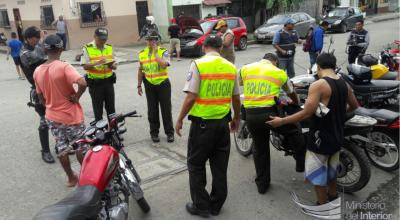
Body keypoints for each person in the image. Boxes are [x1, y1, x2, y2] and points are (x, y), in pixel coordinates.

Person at [267, 53, 359, 205]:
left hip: (319, 137)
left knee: (317, 175)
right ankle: (333, 196)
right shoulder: (344, 83)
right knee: (332, 170)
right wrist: (336, 115)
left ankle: (322, 205)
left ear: (318, 66)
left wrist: (282, 121)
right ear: (334, 66)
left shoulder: (318, 85)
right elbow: (354, 105)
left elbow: (306, 113)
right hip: (337, 134)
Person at [175, 35, 240, 218]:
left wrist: (180, 119)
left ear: (204, 47)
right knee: (219, 166)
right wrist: (237, 118)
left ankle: (201, 206)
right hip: (222, 125)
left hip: (202, 126)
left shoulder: (198, 64)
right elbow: (235, 97)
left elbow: (191, 96)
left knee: (195, 165)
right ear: (220, 48)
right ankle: (216, 205)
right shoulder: (231, 67)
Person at [240, 53, 300, 194]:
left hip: (251, 116)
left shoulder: (246, 68)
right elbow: (291, 92)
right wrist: (296, 103)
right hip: (270, 115)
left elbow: (241, 83)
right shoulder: (278, 72)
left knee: (260, 149)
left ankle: (262, 185)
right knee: (295, 129)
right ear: (275, 62)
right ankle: (300, 162)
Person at [34, 34, 87, 187]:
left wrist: (48, 104)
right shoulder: (64, 66)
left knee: (62, 147)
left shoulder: (38, 70)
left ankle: (71, 178)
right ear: (61, 48)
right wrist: (77, 96)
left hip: (52, 116)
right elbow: (82, 82)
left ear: (45, 49)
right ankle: (86, 178)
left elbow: (39, 95)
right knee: (80, 146)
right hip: (70, 115)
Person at [20, 26, 55, 163]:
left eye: (39, 37)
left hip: (51, 88)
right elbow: (44, 59)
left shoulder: (39, 46)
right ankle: (45, 151)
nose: (39, 39)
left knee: (58, 120)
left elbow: (49, 56)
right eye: (36, 37)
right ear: (29, 38)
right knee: (44, 121)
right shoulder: (24, 53)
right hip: (38, 90)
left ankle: (61, 145)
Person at [137, 31, 174, 143]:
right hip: (149, 84)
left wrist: (155, 53)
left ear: (157, 40)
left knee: (166, 110)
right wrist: (139, 85)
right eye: (148, 39)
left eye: (153, 39)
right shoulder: (142, 53)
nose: (150, 42)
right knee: (152, 111)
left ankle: (169, 133)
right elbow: (141, 70)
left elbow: (163, 64)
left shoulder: (164, 52)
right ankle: (154, 133)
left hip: (163, 84)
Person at [81, 27, 117, 121]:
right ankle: (100, 132)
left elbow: (114, 64)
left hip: (108, 82)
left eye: (105, 39)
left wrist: (113, 65)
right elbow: (84, 66)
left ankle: (113, 131)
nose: (103, 41)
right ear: (94, 36)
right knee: (98, 110)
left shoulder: (109, 47)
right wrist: (98, 63)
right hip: (95, 84)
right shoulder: (87, 48)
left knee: (111, 109)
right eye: (100, 39)